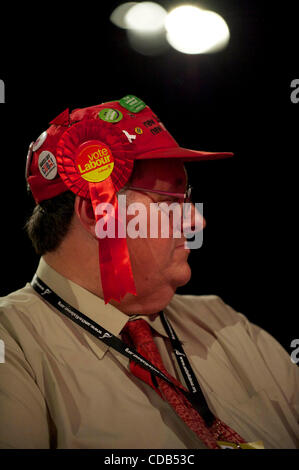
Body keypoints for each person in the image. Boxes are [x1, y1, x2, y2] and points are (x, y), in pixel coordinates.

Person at [0, 96, 298, 450]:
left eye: (188, 198)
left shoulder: (228, 323)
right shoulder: (12, 344)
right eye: (171, 202)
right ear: (98, 215)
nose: (197, 220)